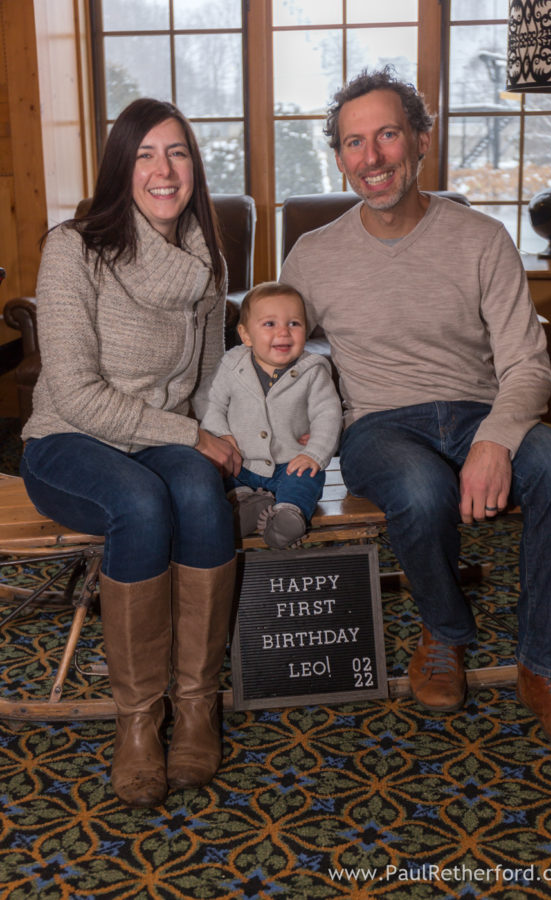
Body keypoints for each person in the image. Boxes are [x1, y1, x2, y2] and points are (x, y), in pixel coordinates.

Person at [280, 67, 551, 758]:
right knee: (420, 493)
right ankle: (446, 633)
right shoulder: (312, 255)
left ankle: (545, 666)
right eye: (354, 142)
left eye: (388, 134)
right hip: (378, 424)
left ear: (421, 139)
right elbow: (280, 358)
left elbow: (526, 364)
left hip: (480, 408)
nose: (372, 157)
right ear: (339, 155)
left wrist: (496, 439)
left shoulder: (482, 239)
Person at [20, 98, 243, 807]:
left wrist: (217, 437)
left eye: (176, 152)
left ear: (194, 167)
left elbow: (207, 384)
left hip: (156, 438)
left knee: (203, 492)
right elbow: (77, 393)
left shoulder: (208, 267)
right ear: (122, 167)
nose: (163, 169)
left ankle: (198, 705)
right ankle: (140, 725)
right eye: (144, 153)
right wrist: (192, 437)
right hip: (68, 441)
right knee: (142, 503)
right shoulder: (73, 248)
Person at [202, 281, 342, 548]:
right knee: (215, 472)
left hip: (290, 460)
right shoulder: (232, 365)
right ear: (245, 335)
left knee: (307, 478)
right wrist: (222, 435)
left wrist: (314, 452)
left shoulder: (313, 371)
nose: (284, 332)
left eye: (294, 324)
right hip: (242, 460)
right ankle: (245, 504)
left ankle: (289, 514)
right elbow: (212, 403)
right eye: (270, 324)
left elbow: (328, 414)